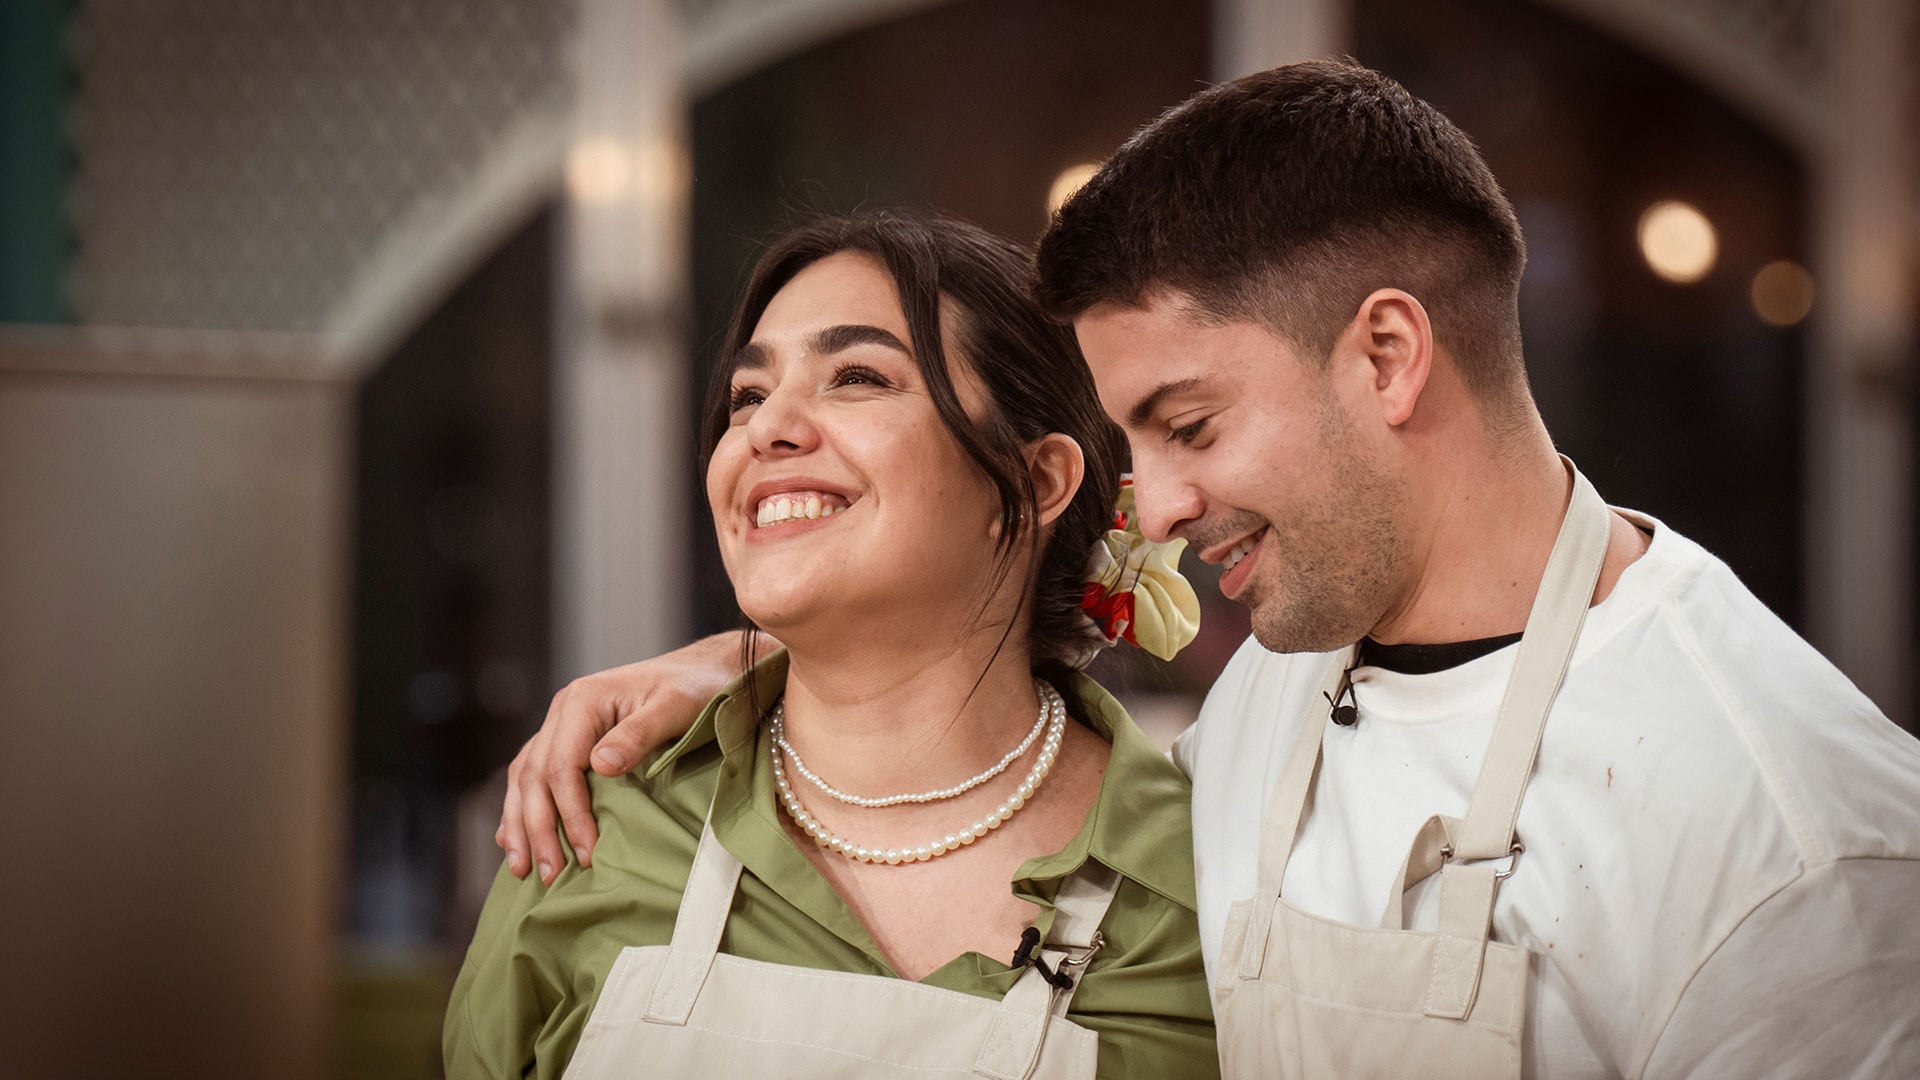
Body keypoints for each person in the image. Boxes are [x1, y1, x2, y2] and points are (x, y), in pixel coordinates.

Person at [497, 62, 1920, 1078]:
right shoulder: (1271, 695)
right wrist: (751, 656)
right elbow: (967, 684)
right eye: (1128, 440)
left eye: (1187, 425)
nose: (1155, 508)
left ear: (1386, 357)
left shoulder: (1802, 852)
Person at [444, 212, 1217, 1078]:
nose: (766, 428)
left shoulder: (1212, 887)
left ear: (1035, 482)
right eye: (747, 395)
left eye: (856, 377)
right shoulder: (596, 832)